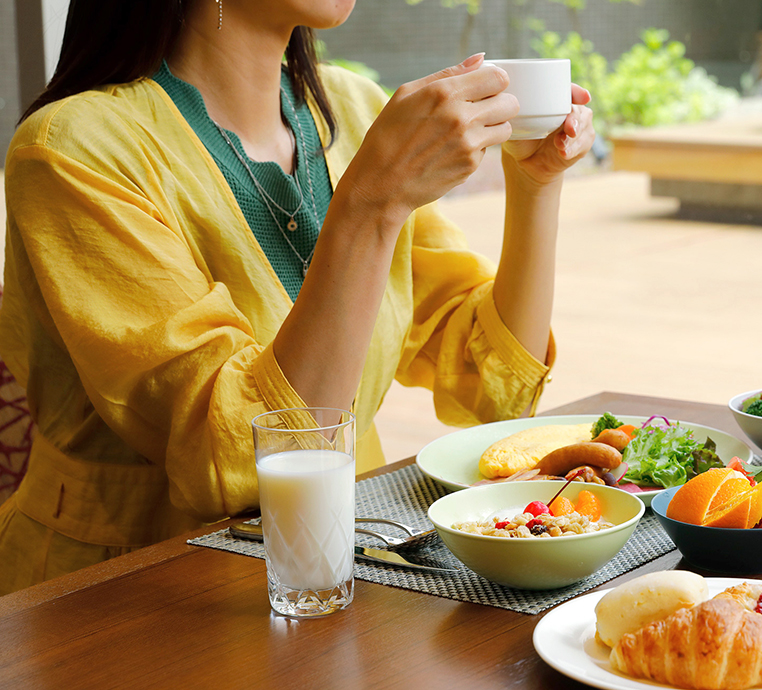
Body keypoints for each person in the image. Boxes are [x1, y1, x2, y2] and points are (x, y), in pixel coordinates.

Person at [0, 0, 594, 594]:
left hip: (358, 554)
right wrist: (371, 204)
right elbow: (233, 464)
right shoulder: (73, 147)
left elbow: (485, 382)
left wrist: (535, 183)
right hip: (131, 594)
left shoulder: (356, 109)